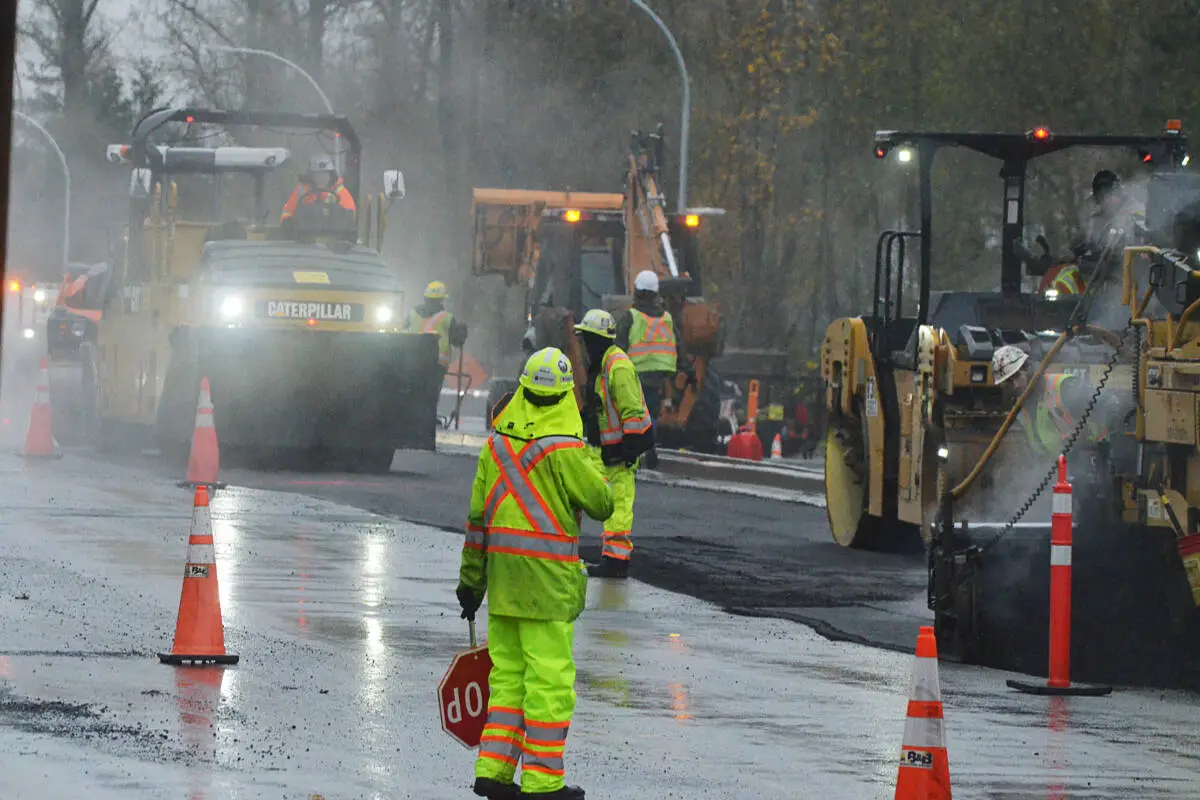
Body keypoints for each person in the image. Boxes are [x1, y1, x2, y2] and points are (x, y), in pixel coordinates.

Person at [457, 346, 614, 800]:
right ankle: (543, 783)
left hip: (503, 587)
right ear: (565, 396)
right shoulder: (566, 449)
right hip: (547, 589)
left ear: (522, 389)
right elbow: (602, 503)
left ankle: (493, 771)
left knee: (507, 679)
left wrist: (471, 584)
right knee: (549, 684)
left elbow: (477, 522)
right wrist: (592, 455)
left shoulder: (495, 445)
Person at [574, 308, 653, 579]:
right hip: (602, 450)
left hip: (619, 453)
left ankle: (616, 561)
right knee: (581, 493)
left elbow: (632, 412)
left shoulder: (617, 367)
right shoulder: (602, 365)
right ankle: (567, 549)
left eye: (586, 339)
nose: (583, 345)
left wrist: (628, 450)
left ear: (596, 340)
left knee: (618, 506)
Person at [615, 270, 686, 467]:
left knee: (632, 411)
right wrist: (686, 370)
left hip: (635, 374)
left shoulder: (630, 317)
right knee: (651, 412)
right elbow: (679, 347)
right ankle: (649, 445)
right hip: (659, 376)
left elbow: (618, 347)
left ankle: (635, 449)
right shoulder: (667, 319)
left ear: (636, 292)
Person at [991, 345, 1114, 458]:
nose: (1015, 385)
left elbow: (1110, 405)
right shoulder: (1024, 407)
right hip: (1060, 466)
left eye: (1016, 377)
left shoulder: (1065, 387)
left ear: (1027, 368)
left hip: (1093, 459)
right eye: (1009, 383)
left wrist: (1083, 439)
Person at [407, 280, 468, 381]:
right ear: (441, 299)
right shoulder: (447, 318)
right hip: (436, 365)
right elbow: (457, 342)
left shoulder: (412, 314)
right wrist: (462, 332)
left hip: (411, 362)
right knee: (430, 390)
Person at [280, 155, 356, 223]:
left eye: (325, 174)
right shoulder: (301, 191)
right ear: (312, 176)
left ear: (331, 175)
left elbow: (350, 214)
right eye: (318, 174)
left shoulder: (340, 192)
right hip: (304, 232)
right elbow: (288, 211)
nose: (321, 178)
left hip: (335, 233)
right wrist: (287, 221)